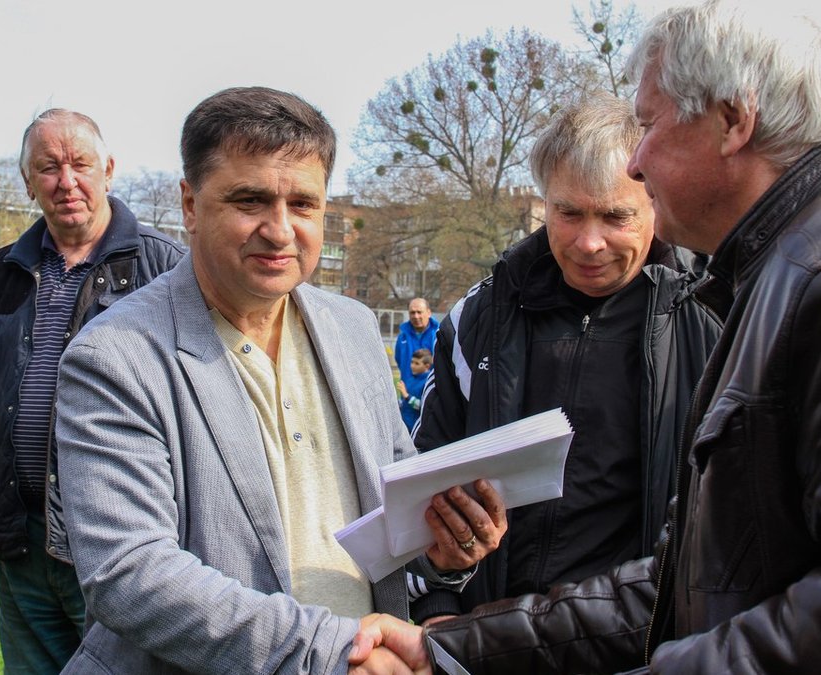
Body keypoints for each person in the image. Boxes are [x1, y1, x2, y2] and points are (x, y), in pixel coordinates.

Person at [350, 1, 821, 672]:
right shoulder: (794, 267)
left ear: (732, 121)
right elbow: (688, 580)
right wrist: (450, 641)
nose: (636, 161)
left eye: (649, 124)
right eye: (567, 212)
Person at [53, 86, 507, 674]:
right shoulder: (116, 356)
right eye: (251, 200)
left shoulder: (353, 329)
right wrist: (329, 652)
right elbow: (129, 574)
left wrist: (443, 548)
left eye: (304, 204)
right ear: (190, 205)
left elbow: (392, 522)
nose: (281, 229)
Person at [408, 93, 721, 625]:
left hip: (640, 642)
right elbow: (425, 477)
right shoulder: (478, 318)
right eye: (569, 213)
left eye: (616, 216)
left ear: (656, 202)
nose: (589, 242)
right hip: (485, 636)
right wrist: (436, 607)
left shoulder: (713, 315)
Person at [0, 108, 184, 672]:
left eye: (80, 164)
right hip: (21, 543)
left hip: (117, 543)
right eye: (48, 168)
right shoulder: (0, 273)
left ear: (108, 169)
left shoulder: (166, 268)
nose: (67, 181)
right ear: (27, 182)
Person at [394, 297, 438, 385]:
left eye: (419, 312)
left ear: (429, 313)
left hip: (432, 389)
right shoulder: (402, 337)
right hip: (408, 390)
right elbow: (399, 360)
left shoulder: (438, 335)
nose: (416, 316)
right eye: (412, 313)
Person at [396, 348, 433, 433]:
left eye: (417, 363)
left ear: (427, 366)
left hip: (417, 428)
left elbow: (423, 407)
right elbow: (404, 402)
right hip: (405, 426)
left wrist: (407, 396)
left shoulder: (428, 382)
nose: (412, 366)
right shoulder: (410, 379)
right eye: (412, 362)